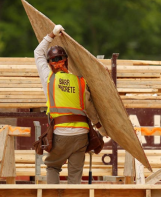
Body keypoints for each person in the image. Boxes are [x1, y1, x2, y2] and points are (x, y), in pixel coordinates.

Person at [34, 24, 108, 184]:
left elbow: (37, 53)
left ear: (50, 63)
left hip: (61, 134)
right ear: (66, 61)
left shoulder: (48, 78)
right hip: (82, 134)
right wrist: (100, 127)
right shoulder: (80, 81)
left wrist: (52, 34)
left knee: (53, 167)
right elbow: (90, 108)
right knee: (75, 175)